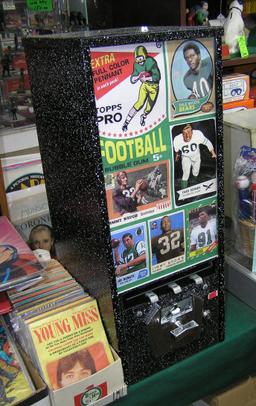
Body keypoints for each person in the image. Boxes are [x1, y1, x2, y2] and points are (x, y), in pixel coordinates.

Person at [122, 45, 161, 131]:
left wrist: (146, 78)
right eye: (137, 59)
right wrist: (137, 77)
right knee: (139, 103)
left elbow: (157, 77)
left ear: (145, 56)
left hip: (154, 87)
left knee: (149, 108)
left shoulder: (151, 61)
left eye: (141, 58)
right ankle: (126, 123)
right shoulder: (136, 65)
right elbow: (132, 79)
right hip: (145, 85)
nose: (139, 61)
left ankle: (143, 116)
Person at [173, 123, 216, 189]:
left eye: (189, 132)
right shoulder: (177, 139)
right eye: (185, 133)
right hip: (186, 156)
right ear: (182, 133)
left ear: (192, 131)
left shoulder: (197, 134)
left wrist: (213, 153)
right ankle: (183, 191)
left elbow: (207, 142)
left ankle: (194, 182)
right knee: (185, 174)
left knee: (196, 171)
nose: (187, 136)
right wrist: (177, 156)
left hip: (196, 155)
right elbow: (177, 151)